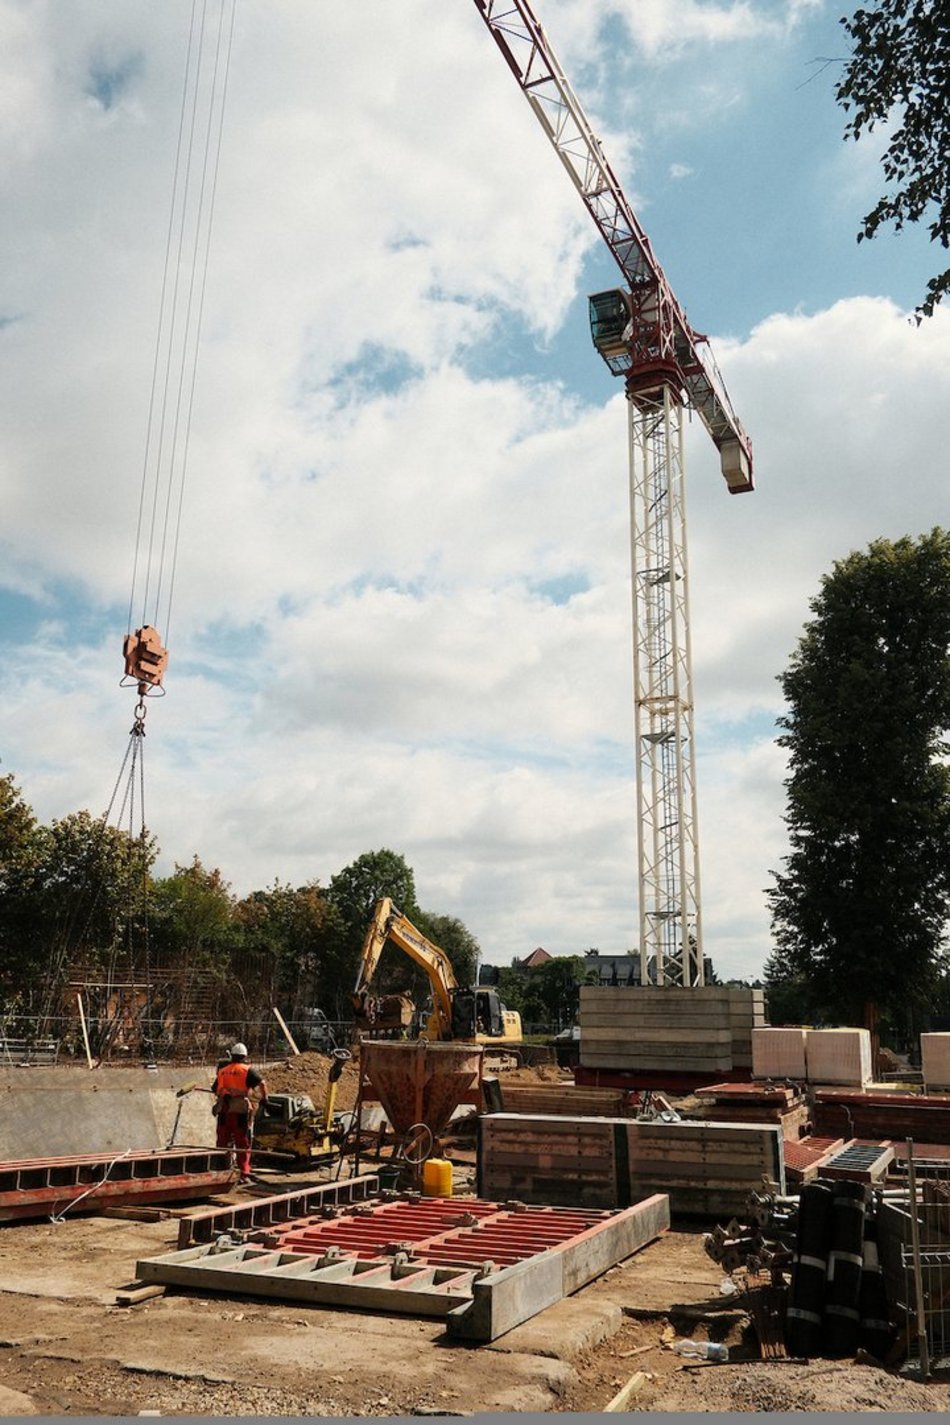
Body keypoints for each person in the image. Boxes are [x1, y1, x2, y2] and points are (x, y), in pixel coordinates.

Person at [213, 1042, 268, 1182]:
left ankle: (221, 1171)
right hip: (240, 1111)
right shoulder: (247, 1070)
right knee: (242, 1142)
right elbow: (262, 1083)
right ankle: (244, 1173)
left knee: (222, 1142)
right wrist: (264, 1099)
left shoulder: (222, 1071)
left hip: (224, 1110)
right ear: (245, 1056)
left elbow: (215, 1089)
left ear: (232, 1056)